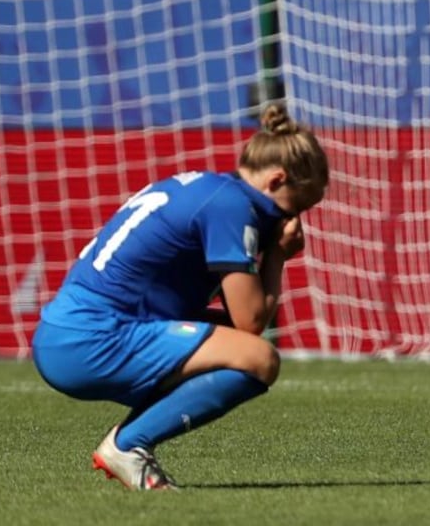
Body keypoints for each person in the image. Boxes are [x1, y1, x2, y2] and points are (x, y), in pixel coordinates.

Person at [31, 102, 329, 490]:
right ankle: (127, 445)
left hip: (70, 331)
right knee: (258, 358)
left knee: (239, 347)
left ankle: (127, 445)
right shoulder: (231, 206)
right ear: (275, 180)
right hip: (93, 338)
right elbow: (251, 320)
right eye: (296, 208)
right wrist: (277, 255)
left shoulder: (209, 189)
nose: (293, 222)